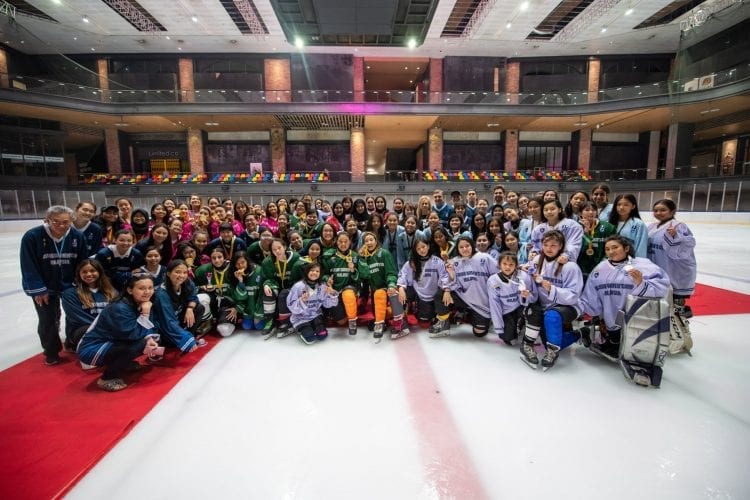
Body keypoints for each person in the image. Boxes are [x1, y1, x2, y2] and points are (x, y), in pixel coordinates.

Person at [581, 235, 671, 361]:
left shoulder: (643, 264)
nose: (611, 252)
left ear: (626, 248)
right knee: (614, 335)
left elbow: (662, 284)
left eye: (615, 247)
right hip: (610, 316)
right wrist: (592, 310)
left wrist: (642, 283)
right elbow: (591, 292)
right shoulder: (600, 268)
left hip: (638, 316)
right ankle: (612, 340)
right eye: (607, 249)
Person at [21, 206, 89, 365]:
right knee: (48, 318)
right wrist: (38, 289)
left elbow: (83, 262)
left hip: (70, 285)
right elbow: (28, 265)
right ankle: (51, 351)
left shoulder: (77, 236)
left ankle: (72, 342)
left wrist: (82, 285)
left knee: (74, 316)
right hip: (45, 286)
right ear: (47, 220)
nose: (61, 225)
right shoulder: (32, 236)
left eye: (66, 222)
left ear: (71, 221)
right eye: (56, 222)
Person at [77, 275, 162, 392]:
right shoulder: (120, 308)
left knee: (153, 340)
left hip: (112, 342)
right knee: (139, 344)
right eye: (142, 288)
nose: (147, 292)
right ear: (130, 290)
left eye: (150, 288)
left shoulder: (142, 302)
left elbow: (147, 328)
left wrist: (149, 338)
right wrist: (146, 314)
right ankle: (107, 378)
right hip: (92, 349)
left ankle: (124, 364)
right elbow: (132, 335)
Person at [519, 230, 585, 371]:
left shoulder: (570, 267)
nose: (549, 248)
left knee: (552, 316)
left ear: (561, 246)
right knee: (535, 316)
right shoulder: (537, 261)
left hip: (568, 306)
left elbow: (573, 295)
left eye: (553, 245)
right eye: (546, 244)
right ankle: (580, 333)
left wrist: (551, 289)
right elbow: (525, 276)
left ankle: (553, 351)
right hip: (545, 305)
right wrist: (525, 286)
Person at [433, 237, 496, 338]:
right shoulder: (454, 261)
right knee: (440, 295)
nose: (465, 249)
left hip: (481, 302)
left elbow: (498, 273)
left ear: (472, 246)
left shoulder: (484, 257)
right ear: (458, 249)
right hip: (463, 297)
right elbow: (447, 280)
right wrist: (448, 288)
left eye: (467, 246)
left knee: (479, 333)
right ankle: (444, 322)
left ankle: (468, 314)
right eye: (461, 247)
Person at [647, 199, 697, 318]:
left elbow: (689, 244)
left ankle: (680, 324)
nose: (658, 213)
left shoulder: (678, 226)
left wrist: (677, 236)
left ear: (672, 211)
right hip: (657, 268)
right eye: (656, 210)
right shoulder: (651, 227)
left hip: (674, 271)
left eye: (663, 210)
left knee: (674, 306)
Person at [61, 259, 118, 352]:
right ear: (79, 274)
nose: (88, 274)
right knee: (88, 331)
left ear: (99, 272)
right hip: (83, 329)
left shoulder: (112, 292)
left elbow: (117, 313)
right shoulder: (70, 294)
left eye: (92, 271)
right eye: (84, 272)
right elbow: (79, 318)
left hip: (107, 329)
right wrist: (104, 328)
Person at [358, 231, 403, 342]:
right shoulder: (364, 258)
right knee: (379, 311)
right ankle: (384, 320)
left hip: (387, 289)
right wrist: (362, 259)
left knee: (380, 294)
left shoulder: (384, 253)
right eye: (366, 241)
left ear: (376, 241)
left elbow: (391, 272)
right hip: (375, 291)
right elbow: (364, 275)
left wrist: (391, 284)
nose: (369, 243)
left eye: (371, 240)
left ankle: (383, 323)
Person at [153, 259, 205, 351]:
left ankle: (189, 336)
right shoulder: (162, 294)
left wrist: (190, 308)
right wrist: (186, 338)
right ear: (168, 273)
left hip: (177, 319)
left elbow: (193, 297)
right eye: (177, 272)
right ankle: (185, 339)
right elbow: (168, 321)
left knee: (199, 308)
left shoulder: (187, 282)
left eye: (185, 272)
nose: (182, 275)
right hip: (165, 326)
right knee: (179, 340)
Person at [397, 237, 446, 334]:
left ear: (428, 246)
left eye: (423, 247)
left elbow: (444, 276)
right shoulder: (411, 262)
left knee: (425, 324)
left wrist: (446, 289)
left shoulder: (437, 261)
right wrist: (401, 288)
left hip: (432, 296)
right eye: (418, 249)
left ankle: (436, 314)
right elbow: (402, 275)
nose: (421, 250)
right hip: (418, 294)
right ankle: (402, 317)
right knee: (396, 293)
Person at [488, 251, 536, 345]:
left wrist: (527, 296)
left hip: (521, 307)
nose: (507, 267)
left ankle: (523, 322)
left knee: (534, 311)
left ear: (516, 265)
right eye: (504, 264)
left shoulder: (524, 276)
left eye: (511, 264)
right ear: (499, 265)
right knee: (509, 340)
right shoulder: (493, 280)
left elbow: (534, 296)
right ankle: (514, 326)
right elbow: (494, 304)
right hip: (506, 311)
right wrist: (498, 326)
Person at [287, 262, 340, 345]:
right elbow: (291, 306)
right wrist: (302, 301)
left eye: (317, 271)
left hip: (315, 315)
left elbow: (327, 304)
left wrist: (332, 293)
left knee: (322, 335)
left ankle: (313, 325)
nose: (314, 273)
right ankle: (301, 328)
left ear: (320, 273)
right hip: (300, 317)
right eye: (312, 270)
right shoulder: (298, 286)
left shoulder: (322, 286)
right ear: (307, 272)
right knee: (310, 338)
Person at [259, 238, 301, 339]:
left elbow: (301, 276)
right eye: (274, 249)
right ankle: (270, 322)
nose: (277, 251)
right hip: (277, 286)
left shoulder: (295, 257)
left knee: (284, 294)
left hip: (292, 287)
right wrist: (266, 285)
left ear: (285, 247)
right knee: (268, 292)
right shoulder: (267, 262)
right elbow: (266, 278)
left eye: (279, 248)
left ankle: (286, 323)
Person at [194, 247, 239, 337]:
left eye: (219, 257)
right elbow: (192, 288)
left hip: (229, 304)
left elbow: (243, 289)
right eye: (214, 258)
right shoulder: (203, 270)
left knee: (225, 331)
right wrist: (201, 287)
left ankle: (224, 319)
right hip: (213, 302)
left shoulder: (234, 268)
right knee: (201, 297)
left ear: (224, 257)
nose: (217, 260)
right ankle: (208, 320)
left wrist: (237, 308)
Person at [322, 232, 361, 336]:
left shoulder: (355, 256)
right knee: (341, 321)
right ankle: (341, 311)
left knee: (348, 294)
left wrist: (353, 271)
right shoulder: (329, 256)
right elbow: (323, 274)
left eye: (346, 241)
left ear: (350, 242)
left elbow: (361, 278)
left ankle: (352, 321)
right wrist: (327, 279)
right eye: (340, 241)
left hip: (350, 288)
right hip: (335, 290)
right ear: (336, 242)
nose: (343, 244)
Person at [530, 199, 583, 264]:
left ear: (560, 210)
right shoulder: (538, 229)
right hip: (544, 263)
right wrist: (534, 253)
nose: (549, 212)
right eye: (546, 210)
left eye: (552, 209)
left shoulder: (573, 225)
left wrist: (566, 255)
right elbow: (536, 246)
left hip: (564, 262)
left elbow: (574, 244)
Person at [229, 251, 265, 331]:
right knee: (246, 327)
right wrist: (240, 281)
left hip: (259, 307)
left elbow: (261, 295)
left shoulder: (258, 271)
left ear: (247, 261)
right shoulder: (234, 275)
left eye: (243, 262)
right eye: (237, 264)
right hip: (247, 309)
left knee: (259, 326)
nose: (240, 266)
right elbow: (240, 298)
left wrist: (258, 314)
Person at [608, 194, 648, 258]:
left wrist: (637, 262)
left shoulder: (638, 224)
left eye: (626, 205)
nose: (621, 207)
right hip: (612, 258)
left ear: (633, 206)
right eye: (619, 204)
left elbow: (641, 247)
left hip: (630, 260)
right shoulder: (610, 223)